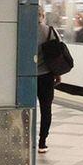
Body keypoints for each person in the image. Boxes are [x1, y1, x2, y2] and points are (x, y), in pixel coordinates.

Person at [34, 9, 61, 153]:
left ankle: (25, 139)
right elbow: (57, 55)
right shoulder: (50, 31)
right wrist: (57, 74)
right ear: (42, 16)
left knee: (26, 108)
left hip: (27, 77)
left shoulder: (22, 30)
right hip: (46, 76)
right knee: (46, 110)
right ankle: (42, 143)